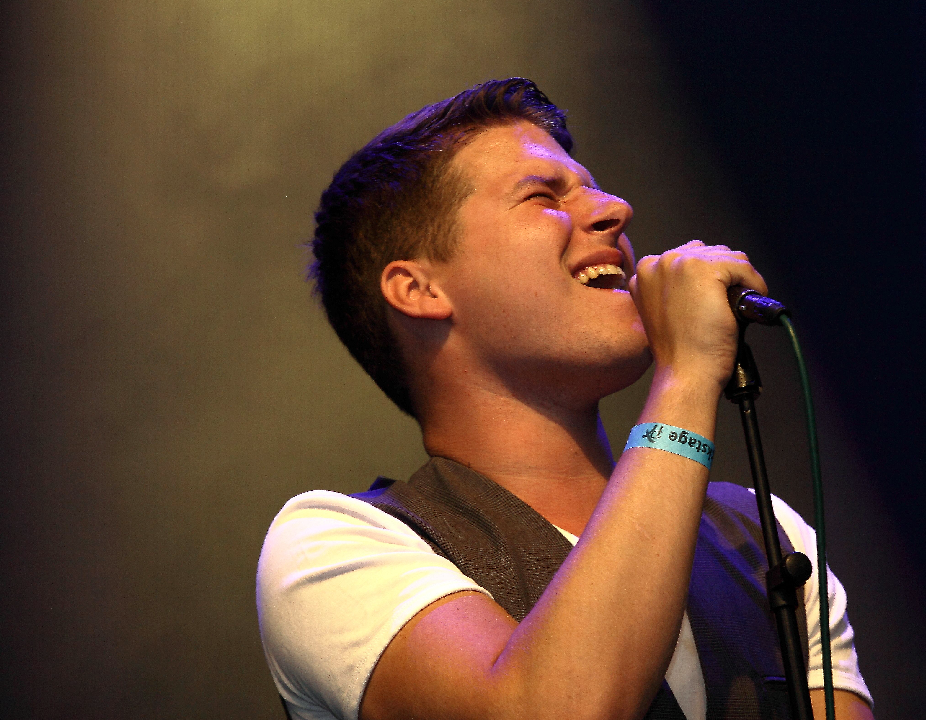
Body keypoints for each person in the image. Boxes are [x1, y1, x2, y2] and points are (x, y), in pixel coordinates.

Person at [256, 78, 874, 720]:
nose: (616, 210)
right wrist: (687, 379)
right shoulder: (333, 547)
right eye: (542, 196)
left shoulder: (765, 536)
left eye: (593, 187)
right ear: (419, 289)